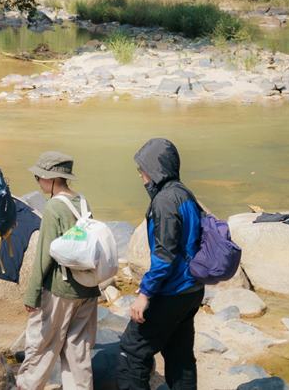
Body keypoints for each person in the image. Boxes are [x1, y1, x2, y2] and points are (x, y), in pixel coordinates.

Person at [118, 138, 203, 390]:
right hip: (192, 290)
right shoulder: (185, 193)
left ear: (156, 170)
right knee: (180, 357)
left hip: (171, 291)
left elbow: (165, 256)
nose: (141, 176)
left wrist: (145, 293)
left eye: (142, 170)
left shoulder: (165, 201)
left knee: (132, 353)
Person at [17, 152, 100, 390]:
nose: (37, 181)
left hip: (60, 291)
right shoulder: (83, 202)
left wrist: (32, 294)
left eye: (37, 177)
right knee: (78, 351)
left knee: (41, 348)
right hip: (88, 288)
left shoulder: (53, 207)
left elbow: (44, 256)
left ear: (50, 178)